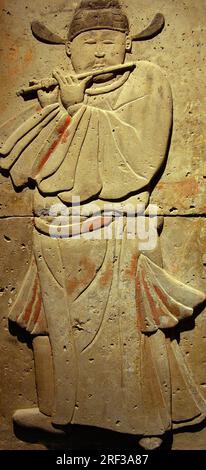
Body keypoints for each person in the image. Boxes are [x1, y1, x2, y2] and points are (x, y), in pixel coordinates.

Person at [0, 0, 205, 450]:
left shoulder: (147, 78)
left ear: (127, 43)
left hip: (115, 229)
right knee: (49, 326)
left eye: (108, 42)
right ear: (69, 52)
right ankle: (58, 411)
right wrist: (55, 109)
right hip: (53, 231)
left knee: (130, 328)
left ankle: (148, 419)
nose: (98, 54)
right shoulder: (73, 87)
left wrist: (80, 111)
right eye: (87, 44)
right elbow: (33, 163)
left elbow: (139, 160)